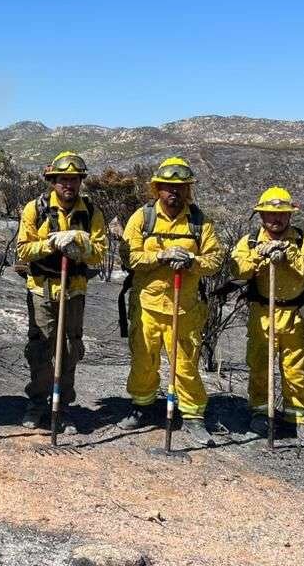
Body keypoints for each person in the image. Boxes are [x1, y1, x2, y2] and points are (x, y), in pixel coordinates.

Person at [119, 157, 222, 446]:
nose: (173, 192)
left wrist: (192, 261)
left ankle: (192, 416)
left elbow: (214, 260)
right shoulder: (143, 217)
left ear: (188, 189)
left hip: (184, 307)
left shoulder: (200, 222)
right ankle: (141, 406)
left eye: (180, 187)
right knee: (143, 360)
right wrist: (160, 256)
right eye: (167, 186)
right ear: (158, 188)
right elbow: (131, 258)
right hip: (148, 305)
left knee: (185, 365)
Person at [16, 151, 107, 434]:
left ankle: (62, 406)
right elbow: (23, 250)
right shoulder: (35, 209)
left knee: (69, 349)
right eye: (63, 180)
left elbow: (99, 254)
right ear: (53, 181)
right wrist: (52, 244)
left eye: (74, 180)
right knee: (41, 347)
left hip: (74, 290)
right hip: (42, 289)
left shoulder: (91, 213)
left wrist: (79, 239)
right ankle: (37, 404)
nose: (69, 185)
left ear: (81, 182)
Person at [230, 187, 304, 446]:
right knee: (260, 364)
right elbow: (237, 268)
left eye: (282, 214)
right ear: (261, 215)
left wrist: (288, 254)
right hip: (262, 313)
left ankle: (297, 420)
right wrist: (260, 255)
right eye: (270, 214)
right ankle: (261, 413)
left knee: (296, 369)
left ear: (289, 216)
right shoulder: (249, 240)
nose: (276, 219)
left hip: (293, 314)